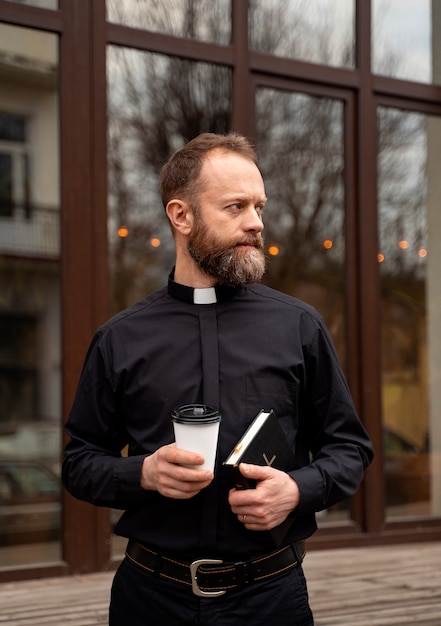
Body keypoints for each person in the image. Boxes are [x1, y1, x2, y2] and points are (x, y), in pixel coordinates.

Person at [62, 132, 373, 626]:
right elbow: (79, 463)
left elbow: (350, 448)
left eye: (259, 206)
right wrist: (142, 473)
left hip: (272, 599)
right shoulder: (119, 338)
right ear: (181, 216)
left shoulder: (299, 326)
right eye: (235, 207)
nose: (256, 223)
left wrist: (297, 490)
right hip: (150, 600)